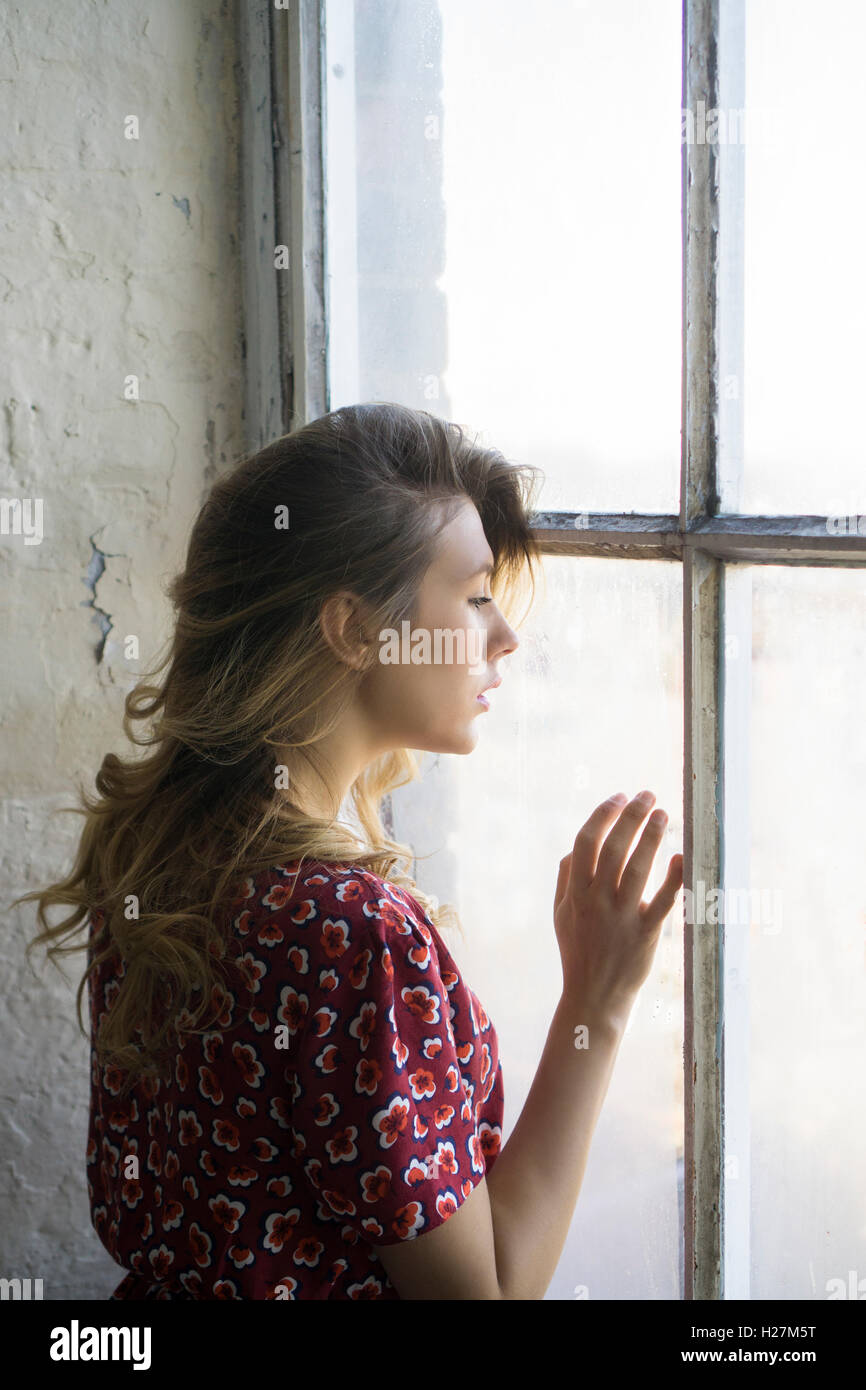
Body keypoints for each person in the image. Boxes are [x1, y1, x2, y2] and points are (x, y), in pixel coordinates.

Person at [22, 401, 682, 1300]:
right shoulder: (354, 934)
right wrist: (596, 1004)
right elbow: (485, 1298)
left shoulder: (155, 855)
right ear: (354, 629)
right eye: (477, 594)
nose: (506, 635)